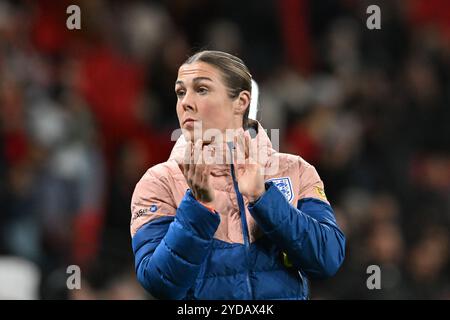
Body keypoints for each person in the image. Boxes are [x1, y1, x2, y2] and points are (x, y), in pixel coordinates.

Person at [130, 50, 345, 300]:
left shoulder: (296, 170)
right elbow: (159, 283)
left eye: (201, 89)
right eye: (181, 92)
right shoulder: (159, 181)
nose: (185, 102)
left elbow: (327, 260)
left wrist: (263, 199)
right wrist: (197, 208)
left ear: (241, 102)